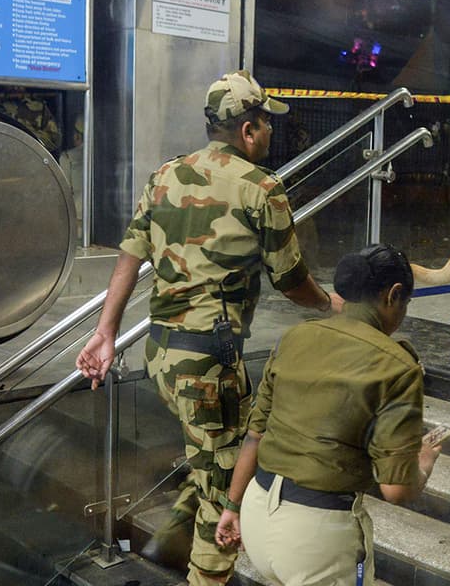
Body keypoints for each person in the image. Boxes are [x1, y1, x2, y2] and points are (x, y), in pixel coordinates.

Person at [76, 70, 344, 586]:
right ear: (247, 130)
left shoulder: (165, 176)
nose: (270, 132)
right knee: (228, 493)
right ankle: (201, 570)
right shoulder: (261, 188)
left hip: (163, 355)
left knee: (214, 453)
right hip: (208, 367)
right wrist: (330, 305)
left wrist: (106, 332)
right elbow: (291, 280)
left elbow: (130, 256)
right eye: (266, 122)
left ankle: (166, 544)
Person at [213, 244, 442, 586]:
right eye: (405, 304)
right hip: (316, 538)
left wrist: (231, 507)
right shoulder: (397, 365)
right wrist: (421, 463)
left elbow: (255, 435)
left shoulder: (293, 338)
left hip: (257, 513)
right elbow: (395, 489)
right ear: (394, 296)